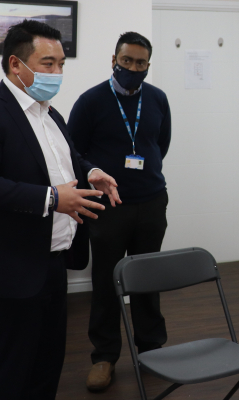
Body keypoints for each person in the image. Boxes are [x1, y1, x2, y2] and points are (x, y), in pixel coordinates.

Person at [0, 19, 121, 400]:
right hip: (12, 266)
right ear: (16, 64)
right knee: (13, 370)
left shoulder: (49, 112)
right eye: (48, 64)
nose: (57, 73)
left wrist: (90, 172)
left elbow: (68, 158)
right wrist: (51, 198)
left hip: (53, 261)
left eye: (61, 64)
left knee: (48, 364)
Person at [68, 31, 172, 392]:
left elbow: (161, 144)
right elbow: (73, 152)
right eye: (126, 61)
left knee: (147, 278)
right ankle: (104, 357)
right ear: (113, 60)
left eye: (140, 63)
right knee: (106, 281)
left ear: (148, 65)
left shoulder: (157, 99)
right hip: (106, 207)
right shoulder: (91, 101)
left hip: (151, 201)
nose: (132, 68)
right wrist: (95, 172)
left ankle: (151, 350)